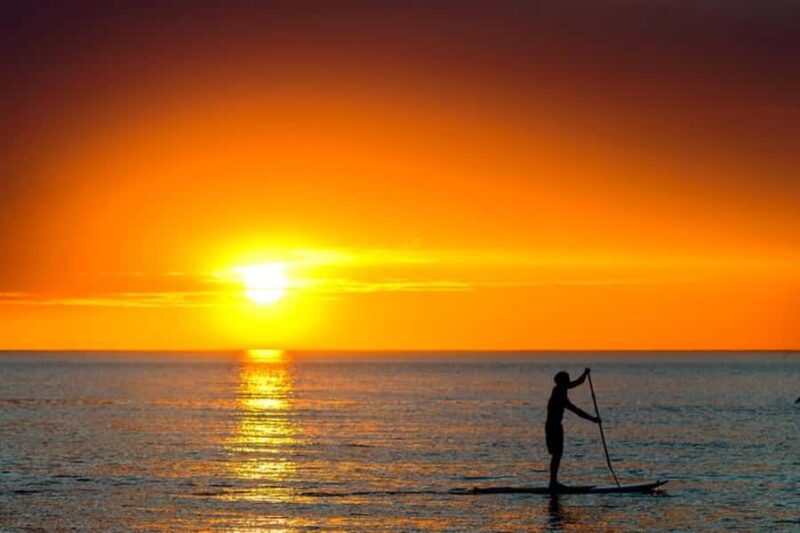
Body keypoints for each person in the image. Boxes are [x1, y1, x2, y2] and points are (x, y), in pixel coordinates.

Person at [545, 368, 601, 491]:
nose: (569, 383)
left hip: (556, 426)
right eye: (566, 381)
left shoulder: (562, 388)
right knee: (556, 454)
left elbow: (576, 383)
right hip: (552, 426)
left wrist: (584, 375)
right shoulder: (559, 393)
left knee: (558, 454)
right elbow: (575, 410)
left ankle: (553, 482)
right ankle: (553, 483)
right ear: (561, 382)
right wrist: (592, 419)